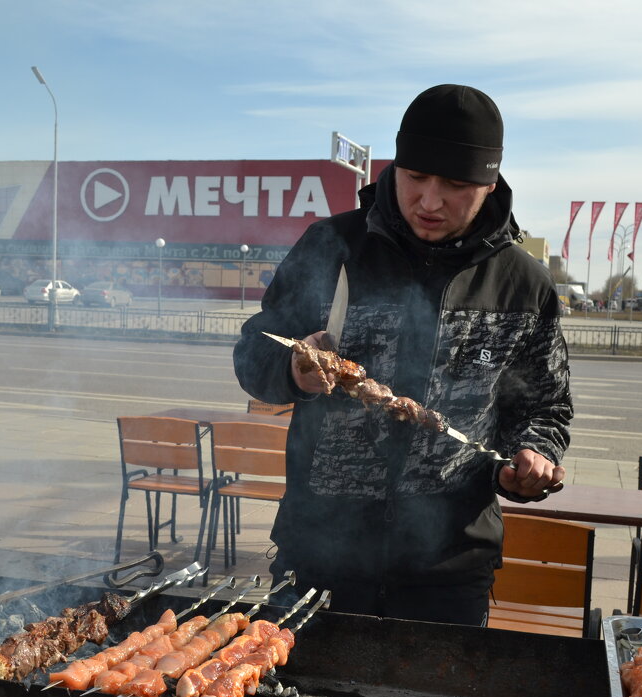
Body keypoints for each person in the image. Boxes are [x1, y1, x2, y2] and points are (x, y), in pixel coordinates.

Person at [233, 84, 572, 626]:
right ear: (396, 167)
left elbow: (545, 407)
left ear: (489, 183)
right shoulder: (330, 247)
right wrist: (292, 372)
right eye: (416, 178)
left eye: (456, 185)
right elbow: (252, 353)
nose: (430, 201)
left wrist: (531, 454)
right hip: (318, 555)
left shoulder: (522, 284)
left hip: (449, 569)